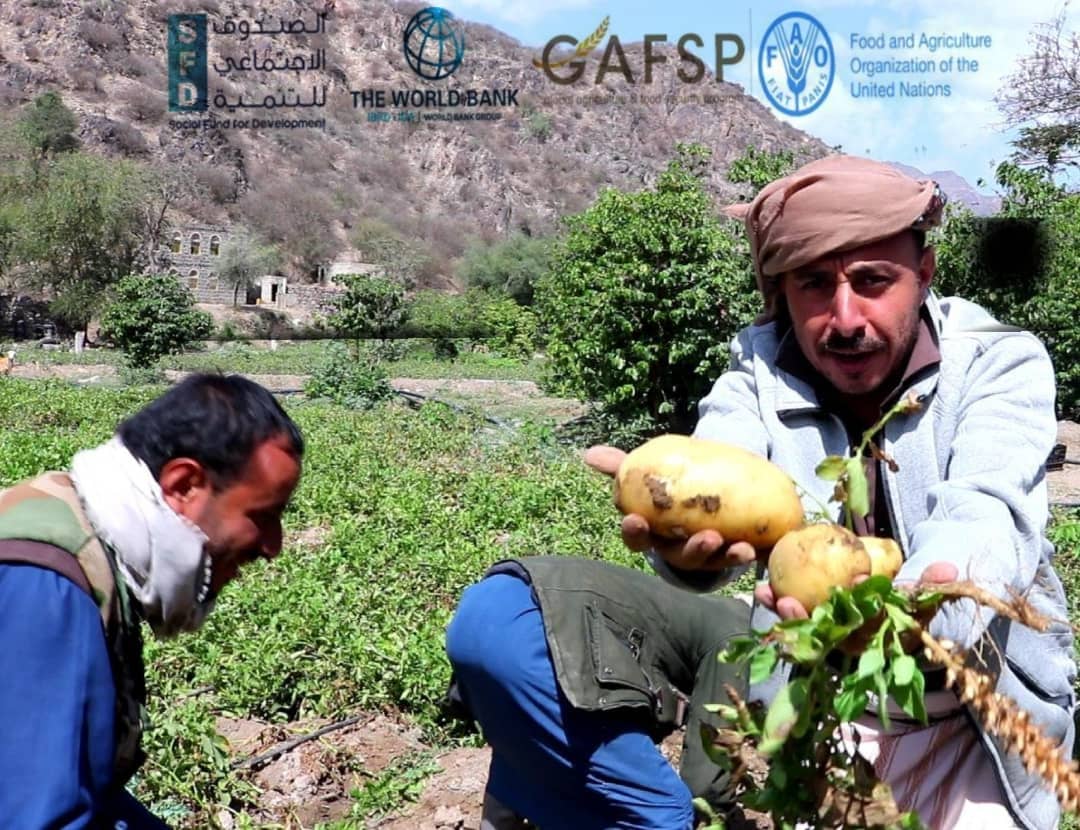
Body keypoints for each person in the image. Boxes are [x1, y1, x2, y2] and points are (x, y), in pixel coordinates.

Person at [449, 155, 1075, 830]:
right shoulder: (756, 366)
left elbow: (985, 511)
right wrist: (690, 556)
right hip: (816, 697)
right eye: (813, 285)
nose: (845, 317)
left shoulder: (999, 359)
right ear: (781, 288)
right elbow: (725, 474)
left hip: (970, 710)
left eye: (873, 281)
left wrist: (925, 596)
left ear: (923, 274)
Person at [0, 373, 304, 828]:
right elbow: (36, 817)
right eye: (261, 516)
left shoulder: (85, 547)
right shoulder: (46, 582)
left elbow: (83, 793)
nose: (272, 545)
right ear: (183, 485)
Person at [445, 556, 750, 830]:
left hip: (483, 607)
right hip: (535, 634)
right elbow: (708, 776)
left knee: (528, 747)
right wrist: (712, 815)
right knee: (664, 811)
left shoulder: (702, 609)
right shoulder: (741, 637)